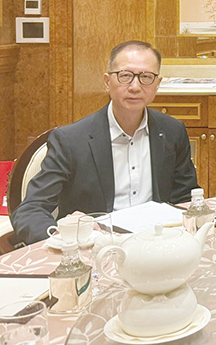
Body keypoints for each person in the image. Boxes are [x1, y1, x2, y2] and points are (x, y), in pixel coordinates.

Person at [11, 41, 199, 246]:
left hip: (158, 245)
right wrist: (61, 237)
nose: (135, 87)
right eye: (125, 76)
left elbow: (185, 199)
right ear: (107, 81)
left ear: (157, 84)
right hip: (96, 248)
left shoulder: (172, 131)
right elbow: (31, 209)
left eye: (146, 77)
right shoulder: (70, 140)